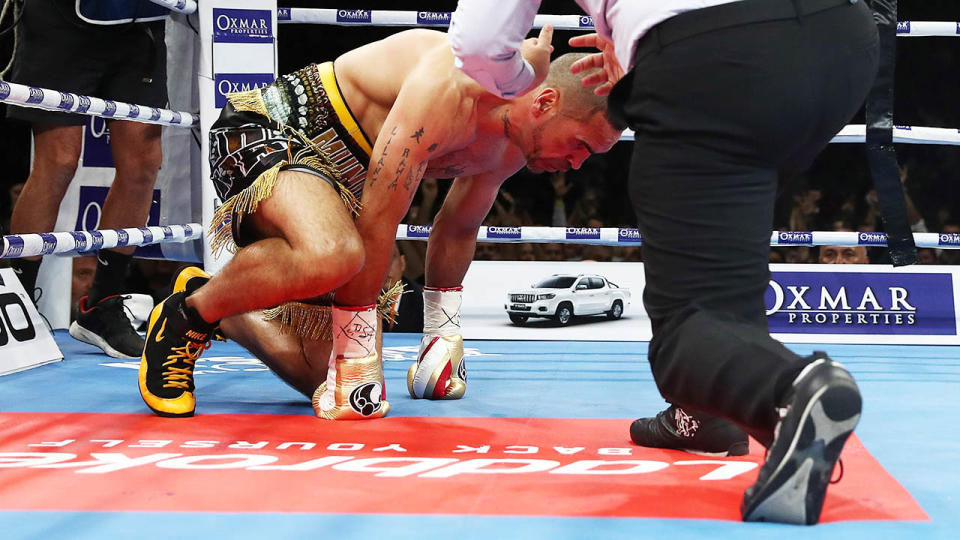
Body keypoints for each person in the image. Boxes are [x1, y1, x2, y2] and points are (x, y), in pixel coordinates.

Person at [448, 0, 877, 525]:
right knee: (720, 264)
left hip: (717, 54)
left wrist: (524, 82)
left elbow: (477, 44)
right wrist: (635, 50)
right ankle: (716, 418)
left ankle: (794, 388)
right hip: (844, 41)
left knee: (682, 333)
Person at [139, 29, 621, 421]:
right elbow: (379, 220)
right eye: (580, 144)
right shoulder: (447, 90)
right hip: (275, 132)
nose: (578, 164)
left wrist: (442, 335)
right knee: (336, 257)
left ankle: (228, 306)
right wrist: (355, 356)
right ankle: (186, 317)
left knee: (321, 379)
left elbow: (456, 227)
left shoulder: (516, 144)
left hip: (341, 188)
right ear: (544, 103)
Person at [5, 0, 169, 358]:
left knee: (143, 163)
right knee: (59, 160)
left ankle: (103, 305)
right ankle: (16, 299)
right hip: (61, 20)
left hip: (138, 19)